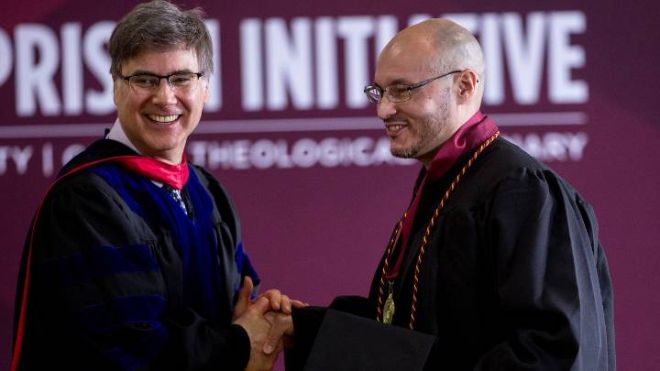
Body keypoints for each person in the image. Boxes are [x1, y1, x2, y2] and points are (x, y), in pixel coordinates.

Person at [271, 18, 616, 370]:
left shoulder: (520, 188)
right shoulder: (443, 185)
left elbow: (551, 350)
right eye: (379, 91)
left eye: (403, 89)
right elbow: (408, 324)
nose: (383, 109)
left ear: (464, 86)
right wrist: (299, 326)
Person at [11, 1, 298, 370]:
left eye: (181, 78)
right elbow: (131, 347)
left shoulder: (207, 193)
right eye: (144, 79)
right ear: (115, 86)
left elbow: (240, 303)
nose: (165, 97)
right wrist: (242, 342)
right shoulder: (87, 200)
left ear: (205, 88)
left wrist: (263, 316)